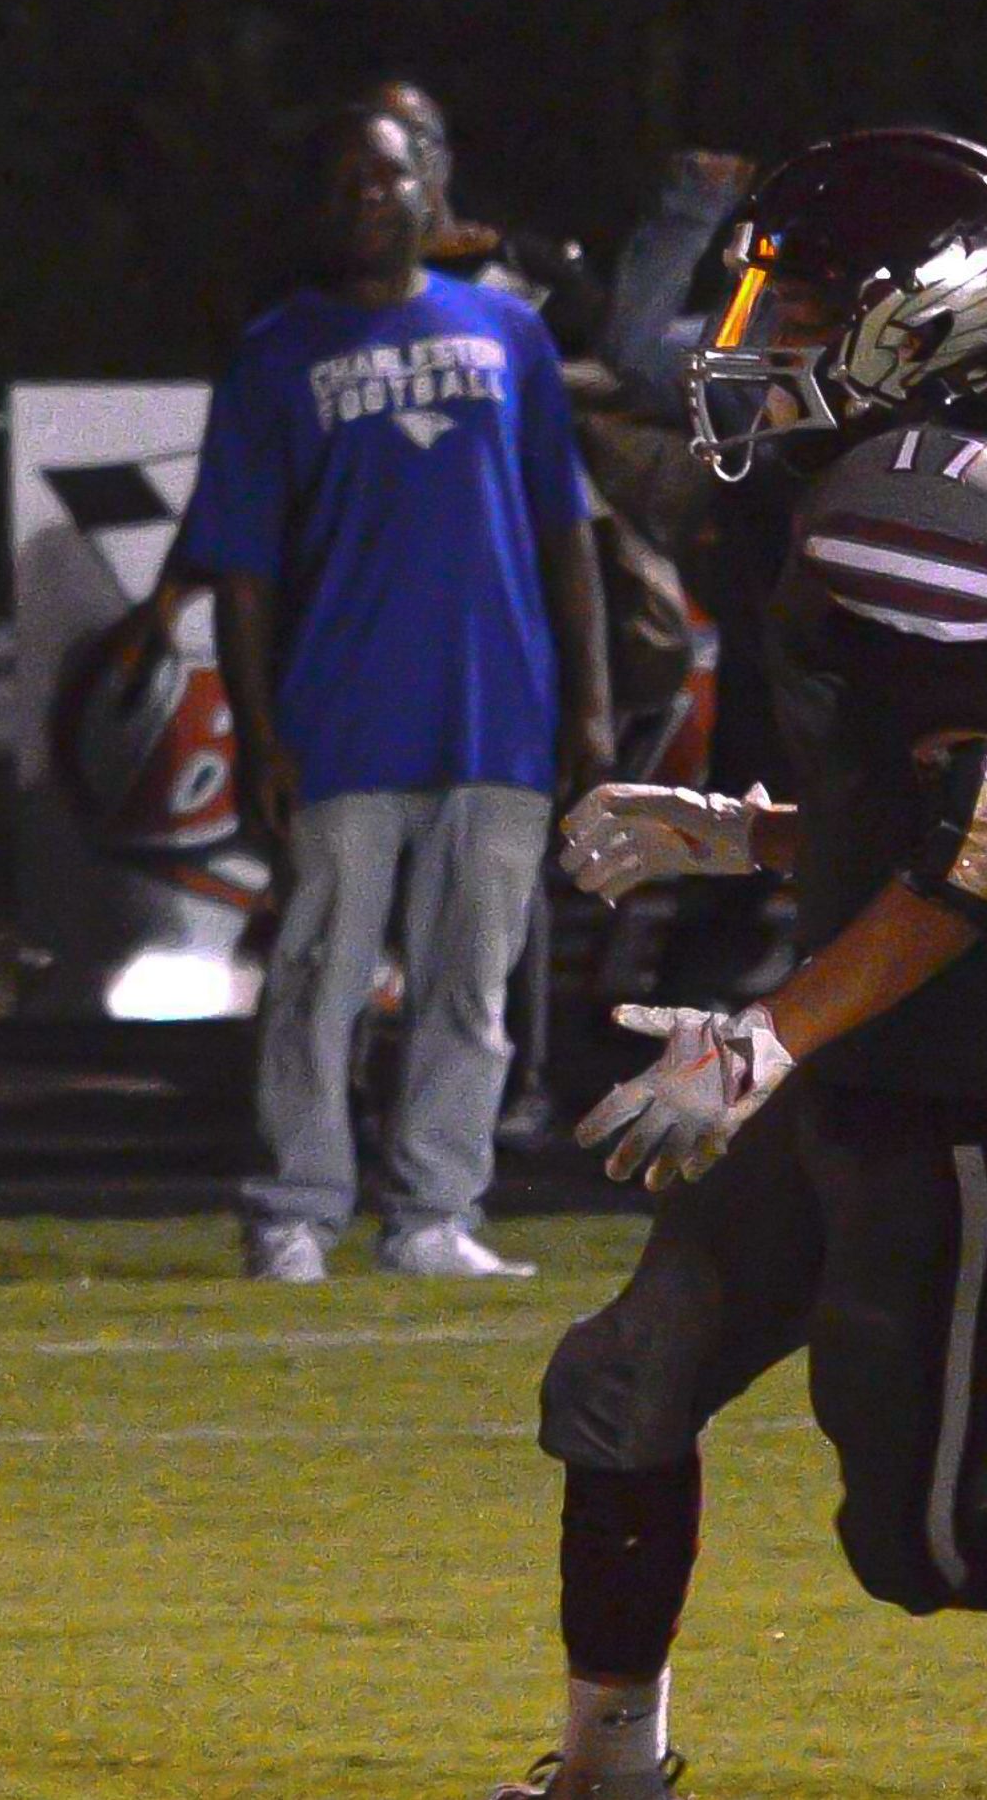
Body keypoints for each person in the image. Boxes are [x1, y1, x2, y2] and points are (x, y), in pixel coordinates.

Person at [501, 129, 987, 1800]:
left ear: (922, 312)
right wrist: (741, 832)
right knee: (633, 1370)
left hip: (961, 1072)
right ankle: (605, 1768)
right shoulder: (886, 486)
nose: (750, 338)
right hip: (893, 1050)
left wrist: (759, 1039)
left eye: (796, 301)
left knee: (940, 1535)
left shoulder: (925, 505)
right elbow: (927, 803)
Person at [174, 98, 611, 1285]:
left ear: (432, 186)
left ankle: (434, 1212)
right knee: (319, 979)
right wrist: (259, 729)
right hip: (341, 715)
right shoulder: (275, 352)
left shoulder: (509, 336)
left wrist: (588, 703)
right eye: (345, 184)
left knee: (469, 985)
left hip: (500, 713)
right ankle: (294, 1212)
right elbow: (245, 572)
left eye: (387, 177)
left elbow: (566, 531)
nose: (368, 200)